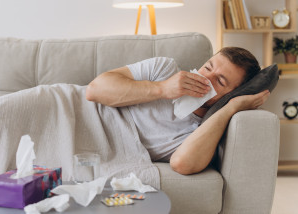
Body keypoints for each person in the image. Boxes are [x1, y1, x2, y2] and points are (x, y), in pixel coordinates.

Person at [85, 47, 270, 175]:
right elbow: (94, 90)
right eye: (207, 67)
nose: (206, 78)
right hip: (69, 105)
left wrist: (232, 107)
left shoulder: (200, 132)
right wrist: (162, 89)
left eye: (220, 82)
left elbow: (182, 164)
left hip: (90, 145)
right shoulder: (163, 69)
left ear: (231, 95)